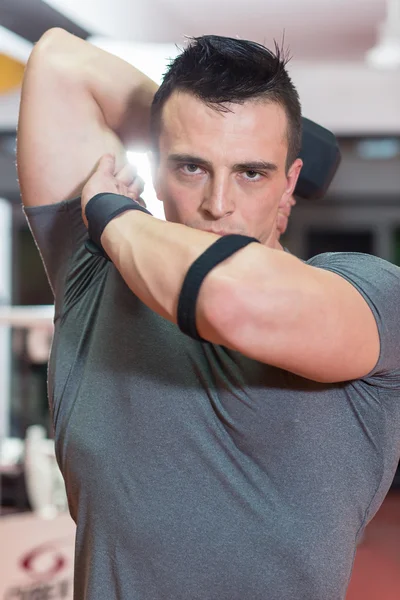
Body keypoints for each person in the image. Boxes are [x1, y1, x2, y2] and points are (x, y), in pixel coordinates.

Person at [18, 30, 400, 600]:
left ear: (290, 183)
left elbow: (231, 301)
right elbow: (56, 62)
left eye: (252, 172)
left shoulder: (369, 293)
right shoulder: (95, 274)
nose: (218, 204)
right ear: (160, 164)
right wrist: (190, 121)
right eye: (191, 167)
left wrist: (114, 214)